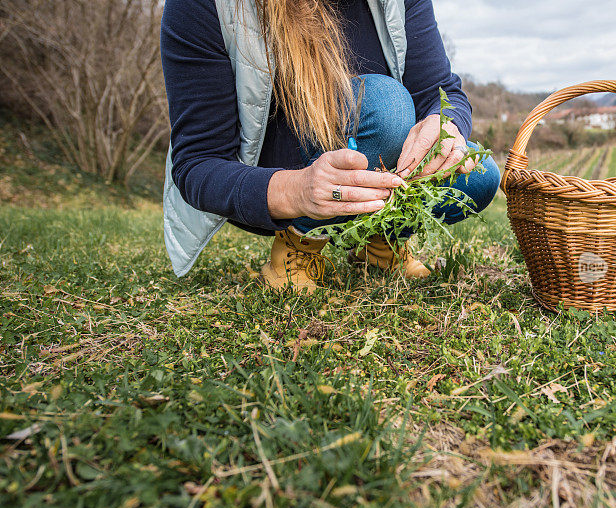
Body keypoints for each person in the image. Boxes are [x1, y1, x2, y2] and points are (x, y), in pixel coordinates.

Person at [160, 0, 501, 292]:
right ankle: (298, 244)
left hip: (382, 172)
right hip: (278, 182)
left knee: (480, 173)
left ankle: (379, 244)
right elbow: (197, 163)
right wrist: (297, 191)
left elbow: (439, 89)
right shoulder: (205, 6)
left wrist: (446, 125)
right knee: (386, 107)